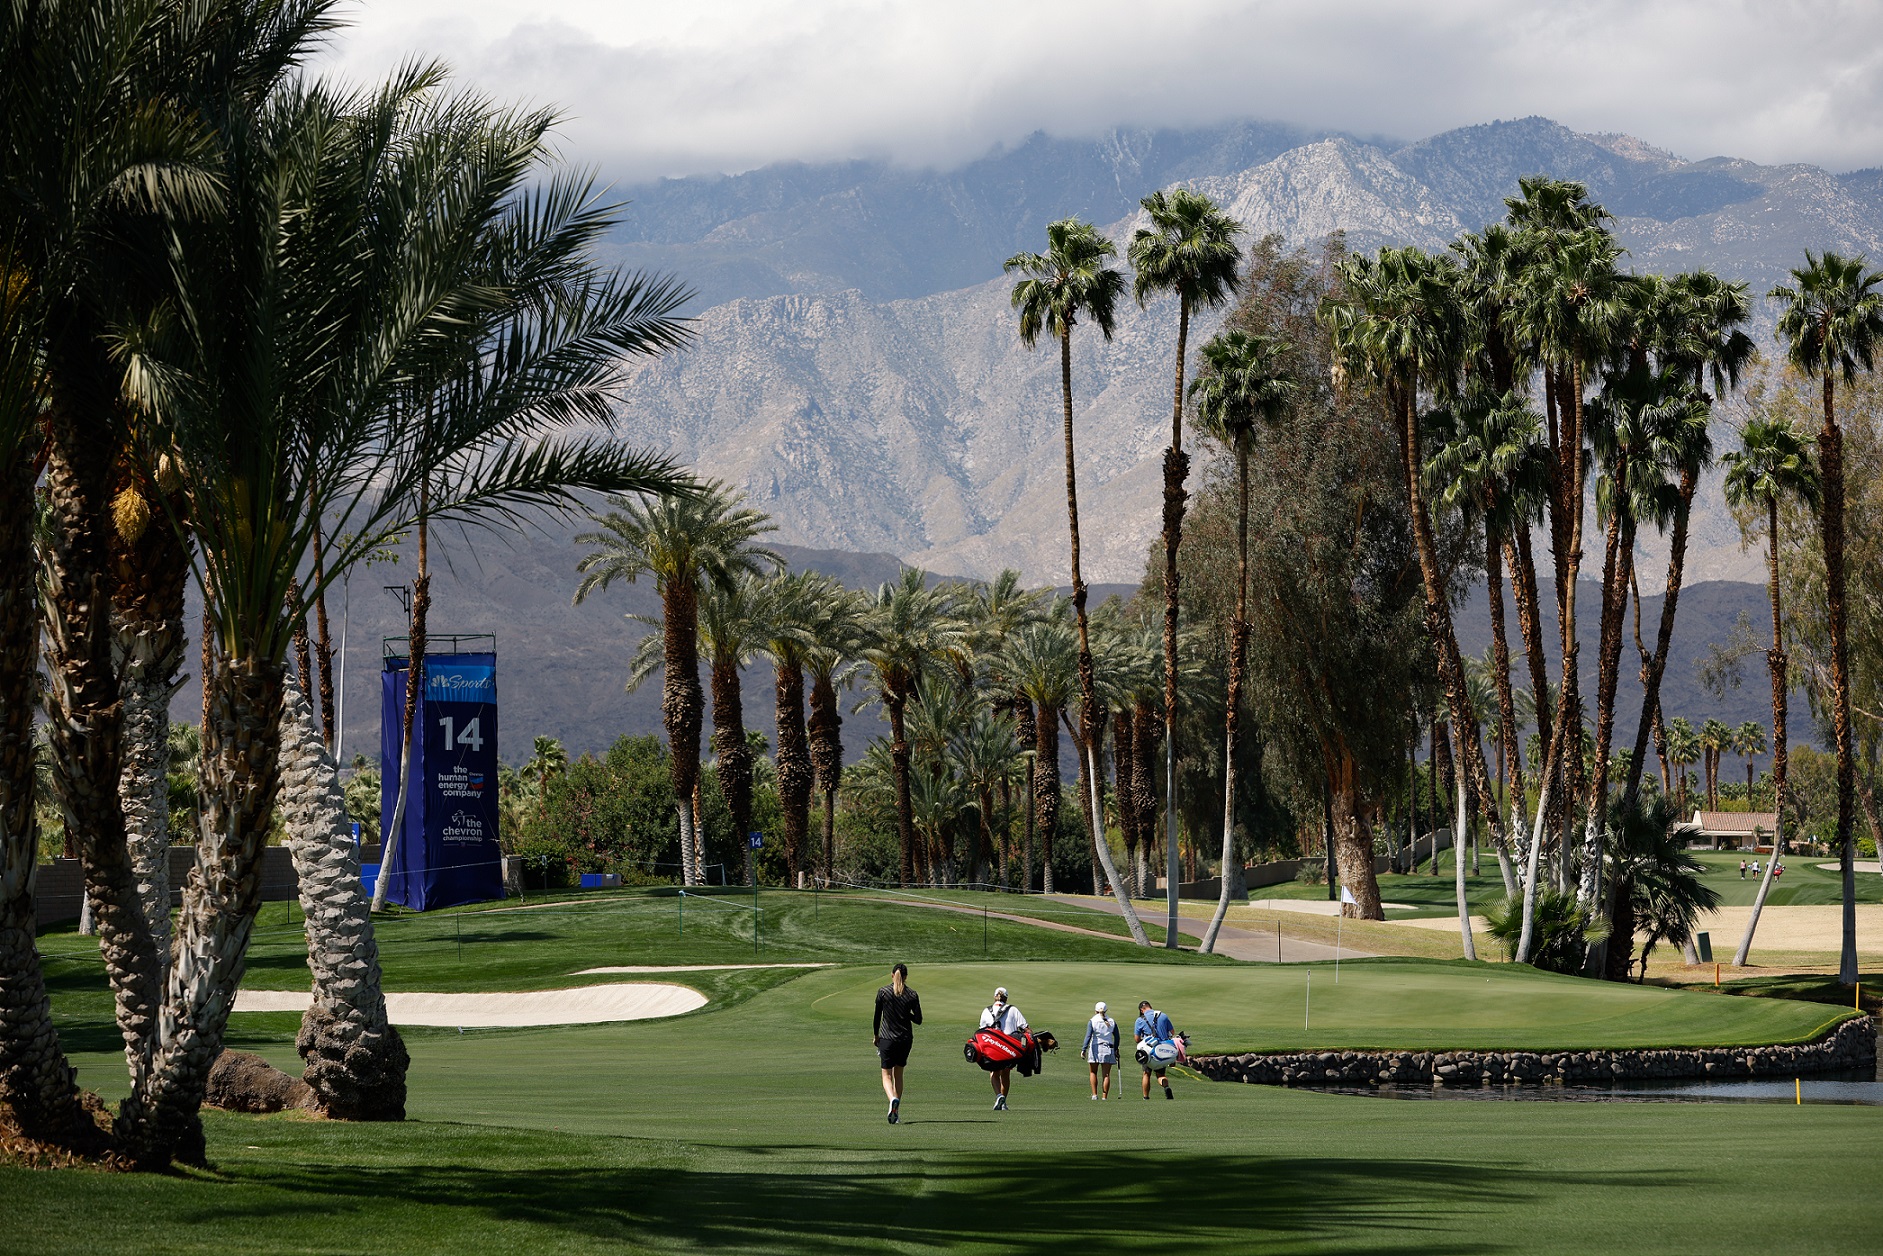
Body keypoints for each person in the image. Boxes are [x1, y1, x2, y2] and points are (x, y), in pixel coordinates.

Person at [872, 962, 921, 1124]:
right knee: (898, 1074)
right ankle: (896, 1112)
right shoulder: (912, 994)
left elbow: (877, 1017)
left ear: (892, 975)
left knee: (886, 1075)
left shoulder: (883, 992)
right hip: (905, 1039)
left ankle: (892, 1099)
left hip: (887, 1038)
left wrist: (875, 1035)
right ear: (906, 977)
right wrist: (907, 1015)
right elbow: (918, 1020)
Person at [979, 986, 1027, 1111]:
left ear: (995, 997)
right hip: (1009, 1049)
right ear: (1006, 998)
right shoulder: (1013, 1010)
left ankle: (999, 1096)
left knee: (994, 1073)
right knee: (1005, 1073)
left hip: (993, 1048)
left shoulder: (986, 1011)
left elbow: (981, 1032)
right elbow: (1025, 1028)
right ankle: (1003, 1102)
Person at [1135, 999, 1177, 1100]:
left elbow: (1136, 1039)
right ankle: (1166, 1087)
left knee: (1146, 1074)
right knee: (1161, 1075)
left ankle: (1146, 1097)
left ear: (1141, 1010)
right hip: (1162, 1051)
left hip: (1148, 1051)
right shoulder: (1163, 1015)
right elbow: (1172, 1032)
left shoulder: (1140, 1020)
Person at [1082, 1001, 1119, 1100]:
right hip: (1108, 1048)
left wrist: (1083, 1049)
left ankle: (1094, 1095)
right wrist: (1116, 1049)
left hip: (1095, 1048)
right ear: (1106, 1010)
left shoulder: (1092, 1021)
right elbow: (1117, 1037)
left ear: (1095, 1011)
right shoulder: (1111, 1021)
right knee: (1106, 1074)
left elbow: (1088, 1036)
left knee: (1093, 1072)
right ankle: (1104, 1097)